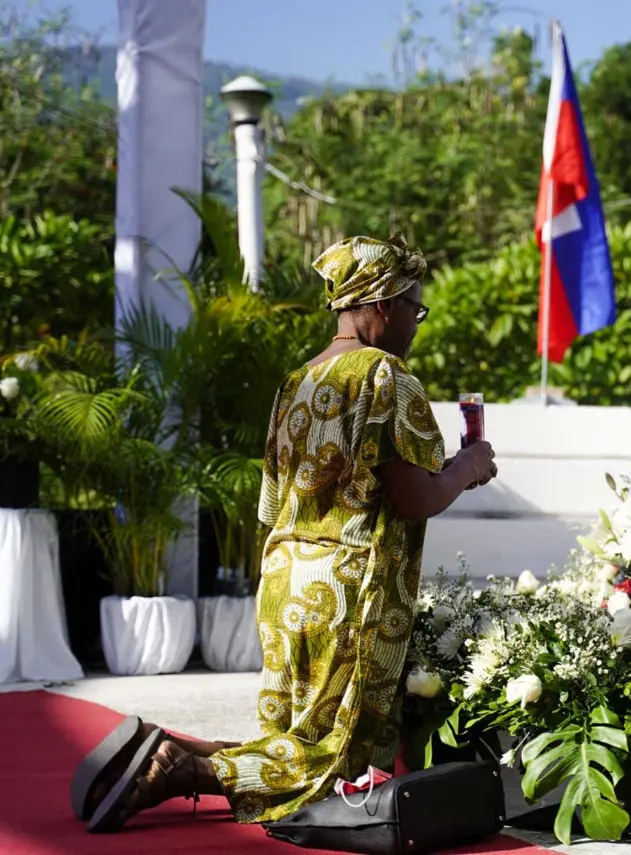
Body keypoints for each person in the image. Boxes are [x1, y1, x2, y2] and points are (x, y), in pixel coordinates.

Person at [74, 235, 498, 833]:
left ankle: (170, 747)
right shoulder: (385, 377)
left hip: (285, 582)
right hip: (352, 592)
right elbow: (417, 498)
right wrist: (469, 466)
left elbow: (273, 503)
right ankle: (179, 769)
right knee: (334, 764)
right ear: (379, 302)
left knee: (300, 736)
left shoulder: (295, 382)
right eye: (414, 308)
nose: (415, 324)